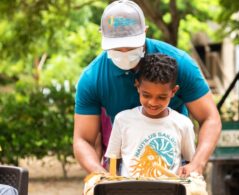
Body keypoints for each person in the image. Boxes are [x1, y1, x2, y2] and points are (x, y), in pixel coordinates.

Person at [73, 0, 221, 177]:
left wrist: (197, 164)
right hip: (126, 169)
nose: (124, 51)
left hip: (173, 170)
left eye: (130, 45)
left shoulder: (180, 64)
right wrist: (101, 174)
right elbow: (83, 139)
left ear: (144, 32)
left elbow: (210, 118)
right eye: (117, 48)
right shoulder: (93, 78)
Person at [104, 53, 196, 177]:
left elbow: (191, 163)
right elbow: (113, 161)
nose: (153, 102)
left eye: (161, 97)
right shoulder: (122, 120)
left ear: (173, 91)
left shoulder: (183, 124)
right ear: (137, 86)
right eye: (146, 95)